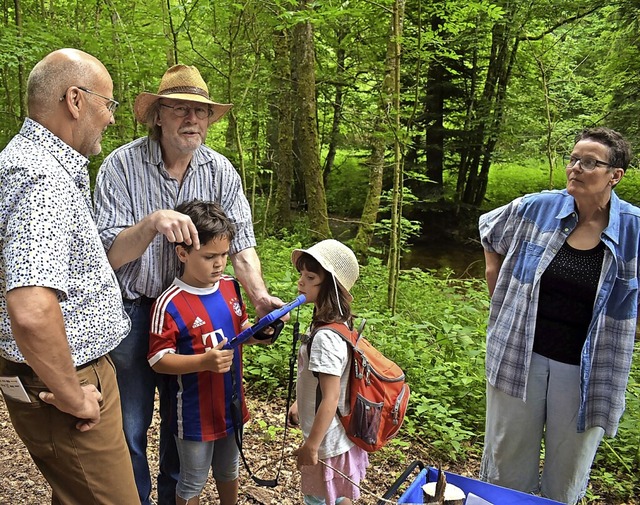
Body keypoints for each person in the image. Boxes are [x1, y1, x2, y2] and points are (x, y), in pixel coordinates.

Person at [94, 64, 284, 505]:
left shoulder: (221, 171)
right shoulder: (120, 166)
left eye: (200, 111)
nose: (192, 119)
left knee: (189, 426)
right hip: (135, 315)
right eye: (179, 109)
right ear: (158, 115)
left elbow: (242, 246)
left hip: (200, 313)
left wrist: (258, 297)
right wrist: (152, 224)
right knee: (130, 427)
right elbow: (107, 255)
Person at [0, 48, 138, 503]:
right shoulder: (42, 179)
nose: (112, 119)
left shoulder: (25, 163)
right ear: (75, 100)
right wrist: (72, 394)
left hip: (57, 375)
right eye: (109, 104)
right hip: (67, 384)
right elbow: (33, 310)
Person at [478, 127, 640, 504]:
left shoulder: (634, 228)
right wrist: (496, 289)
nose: (575, 168)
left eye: (589, 162)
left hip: (588, 371)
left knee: (566, 474)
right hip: (519, 355)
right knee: (505, 465)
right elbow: (489, 230)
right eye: (573, 159)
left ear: (615, 175)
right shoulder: (539, 208)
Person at [148, 199, 277, 505]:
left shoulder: (230, 287)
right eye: (209, 257)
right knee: (192, 479)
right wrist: (204, 361)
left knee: (229, 469)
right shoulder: (169, 303)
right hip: (192, 413)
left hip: (231, 405)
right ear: (182, 253)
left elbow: (240, 329)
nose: (219, 263)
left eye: (223, 255)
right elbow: (158, 360)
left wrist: (261, 332)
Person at [287, 239, 369, 505]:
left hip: (326, 442)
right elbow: (318, 380)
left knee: (318, 499)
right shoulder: (333, 324)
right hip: (333, 437)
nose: (301, 282)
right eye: (302, 274)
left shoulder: (326, 337)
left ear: (331, 287)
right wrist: (300, 403)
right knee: (340, 496)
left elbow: (331, 397)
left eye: (310, 277)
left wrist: (312, 446)